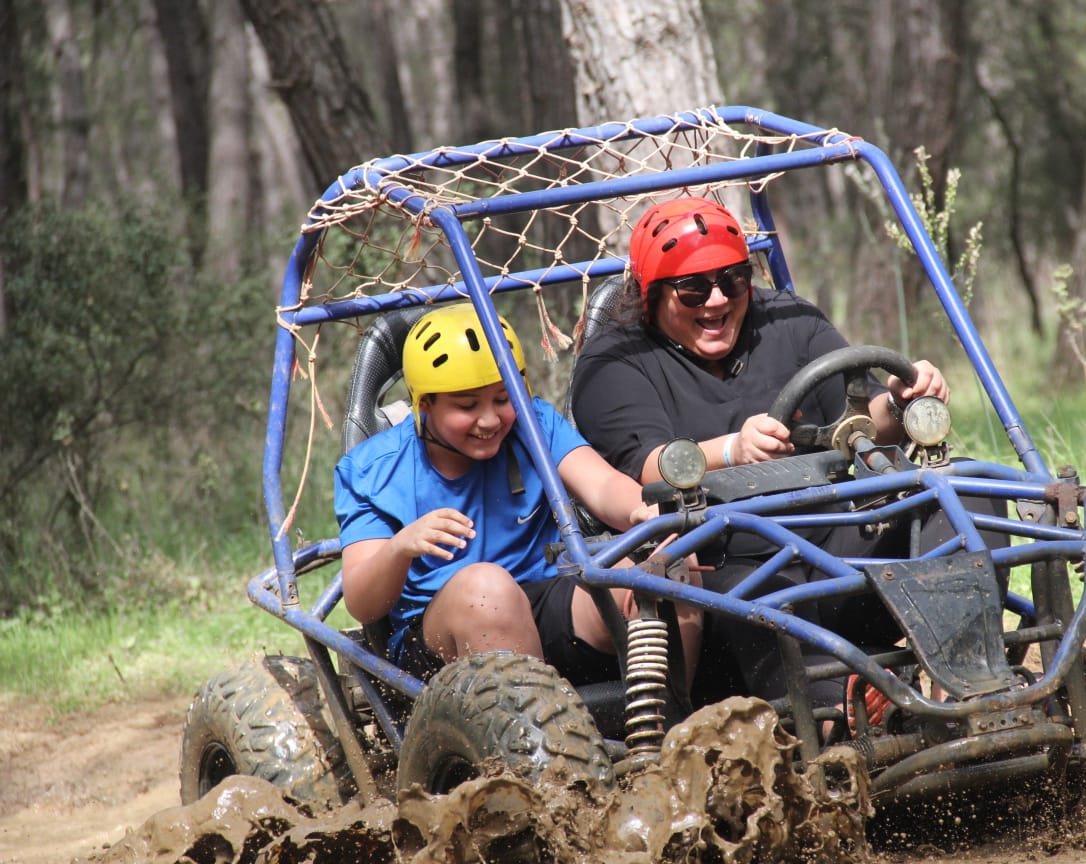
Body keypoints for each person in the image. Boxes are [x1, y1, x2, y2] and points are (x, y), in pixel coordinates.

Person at [568, 196, 1001, 707]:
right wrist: (733, 449)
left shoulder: (788, 320)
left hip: (839, 548)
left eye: (732, 280)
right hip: (725, 568)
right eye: (692, 289)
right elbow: (645, 469)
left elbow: (862, 420)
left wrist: (903, 401)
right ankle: (839, 713)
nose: (715, 301)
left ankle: (976, 685)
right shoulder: (615, 362)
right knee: (745, 586)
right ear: (651, 296)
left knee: (967, 492)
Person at [335, 303, 701, 690]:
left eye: (502, 398)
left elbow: (603, 485)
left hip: (546, 595)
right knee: (488, 590)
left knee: (664, 570)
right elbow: (362, 603)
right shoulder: (371, 470)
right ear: (424, 405)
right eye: (467, 405)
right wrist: (400, 548)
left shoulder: (532, 424)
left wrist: (643, 514)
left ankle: (674, 733)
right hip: (438, 631)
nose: (490, 420)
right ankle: (544, 748)